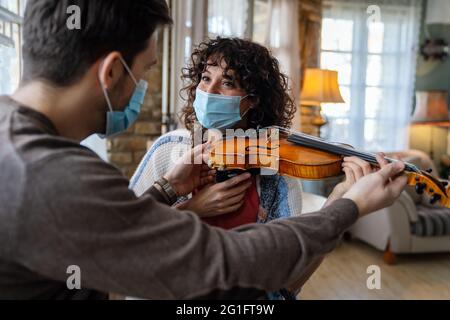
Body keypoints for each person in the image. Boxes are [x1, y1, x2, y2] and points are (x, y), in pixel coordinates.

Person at [0, 0, 407, 300]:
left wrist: (164, 191)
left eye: (227, 82)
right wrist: (346, 205)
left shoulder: (17, 146)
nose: (140, 88)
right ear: (110, 73)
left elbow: (112, 237)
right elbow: (227, 260)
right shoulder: (61, 176)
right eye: (144, 72)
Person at [129, 37, 380, 299]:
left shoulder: (278, 178)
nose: (209, 91)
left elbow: (286, 284)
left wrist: (341, 197)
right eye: (205, 78)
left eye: (227, 82)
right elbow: (124, 243)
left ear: (253, 100)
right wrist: (193, 209)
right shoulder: (169, 150)